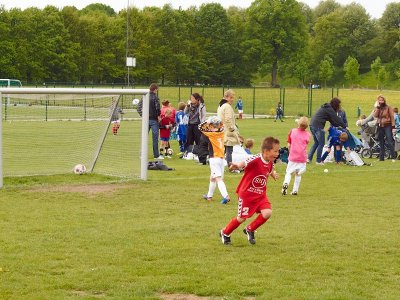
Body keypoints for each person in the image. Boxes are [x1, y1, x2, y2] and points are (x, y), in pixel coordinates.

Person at [219, 137, 280, 245]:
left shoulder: (270, 162)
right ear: (266, 151)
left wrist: (273, 173)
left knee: (267, 213)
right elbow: (244, 162)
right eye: (275, 151)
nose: (277, 153)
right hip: (247, 195)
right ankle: (225, 232)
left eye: (278, 151)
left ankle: (250, 229)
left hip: (260, 195)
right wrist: (237, 166)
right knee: (241, 218)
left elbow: (270, 169)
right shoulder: (255, 159)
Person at [199, 116, 231, 204]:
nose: (208, 126)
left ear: (212, 125)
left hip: (214, 158)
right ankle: (209, 196)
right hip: (221, 158)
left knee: (218, 178)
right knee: (213, 177)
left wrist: (208, 121)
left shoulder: (211, 134)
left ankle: (226, 196)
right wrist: (217, 121)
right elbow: (221, 124)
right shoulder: (222, 131)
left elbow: (200, 126)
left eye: (210, 125)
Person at [307, 97, 346, 165]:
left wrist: (338, 125)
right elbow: (336, 119)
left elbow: (332, 121)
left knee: (316, 143)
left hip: (312, 125)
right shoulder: (329, 109)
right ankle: (318, 161)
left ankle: (309, 158)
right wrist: (344, 126)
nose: (339, 106)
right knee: (321, 144)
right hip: (318, 126)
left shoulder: (326, 107)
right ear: (336, 104)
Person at [281, 117, 311, 196]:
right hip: (302, 157)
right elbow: (307, 142)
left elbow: (289, 144)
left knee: (289, 172)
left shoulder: (293, 131)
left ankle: (286, 183)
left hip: (293, 156)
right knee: (298, 174)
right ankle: (295, 190)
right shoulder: (308, 134)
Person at [217, 89, 240, 168]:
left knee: (224, 150)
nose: (232, 100)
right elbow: (228, 119)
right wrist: (232, 129)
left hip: (222, 130)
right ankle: (230, 166)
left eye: (233, 98)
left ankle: (220, 164)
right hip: (227, 131)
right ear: (226, 97)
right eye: (231, 97)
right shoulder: (227, 106)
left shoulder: (220, 105)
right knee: (229, 150)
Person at [373, 94, 396, 161]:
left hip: (387, 125)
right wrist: (377, 108)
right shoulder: (378, 107)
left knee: (389, 141)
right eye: (379, 100)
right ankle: (381, 158)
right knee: (381, 142)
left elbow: (392, 117)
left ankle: (393, 157)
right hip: (380, 126)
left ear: (384, 100)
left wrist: (393, 127)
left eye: (382, 100)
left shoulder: (388, 107)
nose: (381, 101)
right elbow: (375, 115)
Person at [147, 83, 163, 160]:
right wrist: (158, 116)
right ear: (155, 89)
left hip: (146, 120)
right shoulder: (155, 98)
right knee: (155, 138)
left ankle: (142, 154)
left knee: (144, 138)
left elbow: (139, 107)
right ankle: (156, 155)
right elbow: (157, 108)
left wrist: (143, 115)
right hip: (154, 120)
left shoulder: (145, 96)